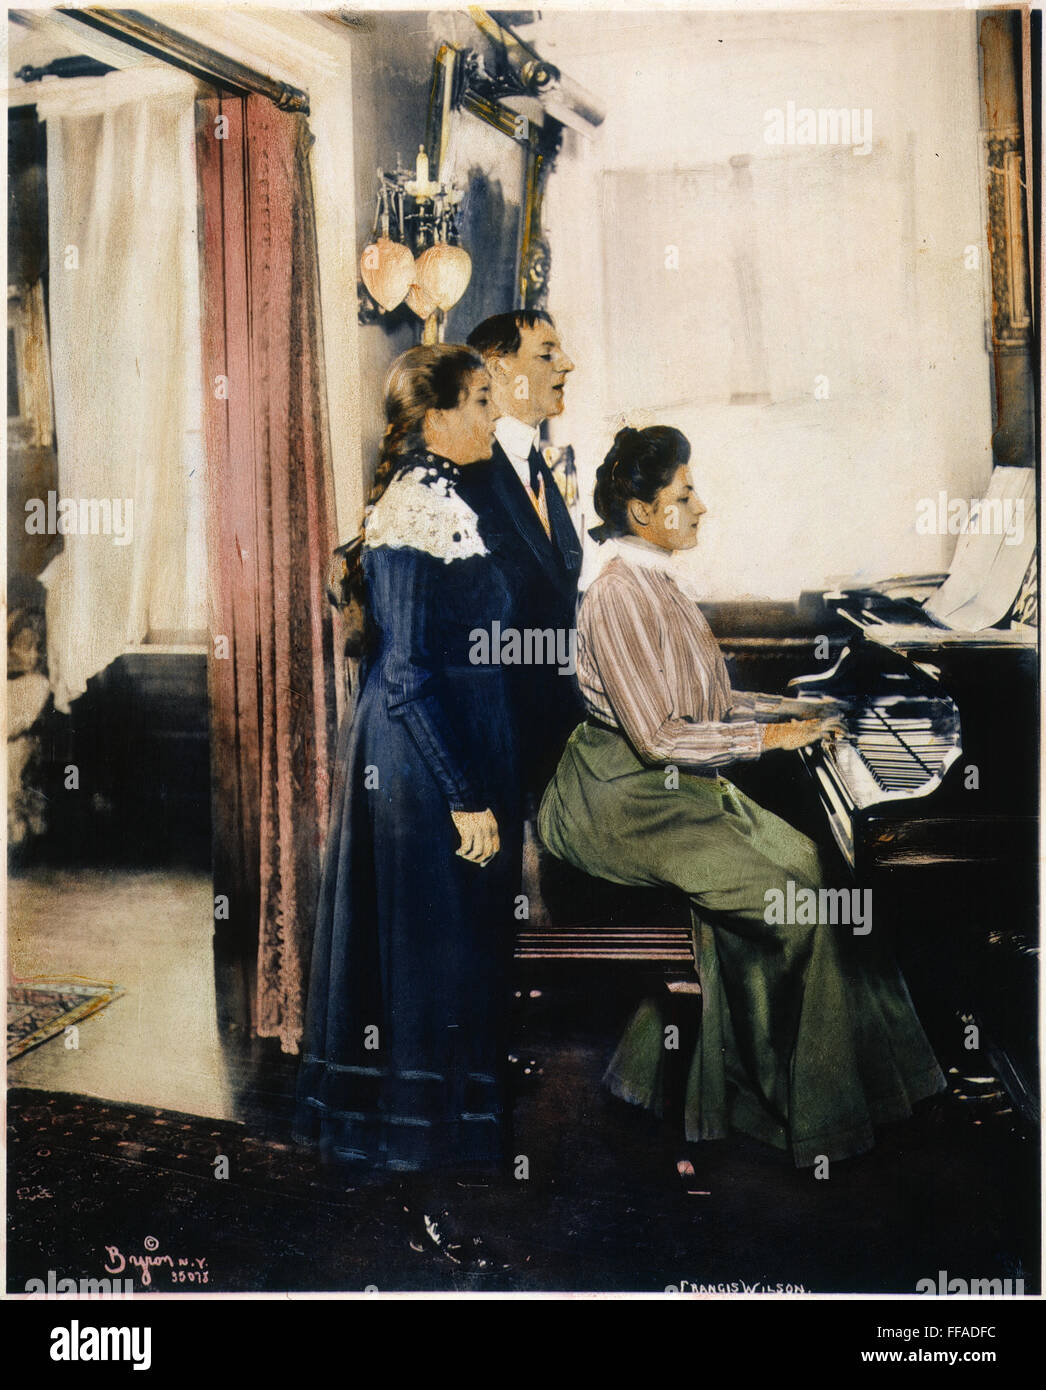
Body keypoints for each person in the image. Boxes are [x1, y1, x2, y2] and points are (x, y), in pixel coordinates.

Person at [537, 424, 946, 1170]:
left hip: (669, 789)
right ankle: (807, 1114)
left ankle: (847, 1090)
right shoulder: (619, 595)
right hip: (618, 802)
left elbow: (710, 703)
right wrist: (771, 743)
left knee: (811, 867)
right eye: (684, 495)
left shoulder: (656, 578)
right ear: (642, 513)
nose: (701, 507)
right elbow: (660, 735)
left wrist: (790, 714)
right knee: (800, 904)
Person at [295, 345, 524, 1267]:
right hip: (424, 768)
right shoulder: (410, 513)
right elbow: (410, 679)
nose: (493, 418)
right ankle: (420, 1203)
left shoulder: (446, 499)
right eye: (478, 403)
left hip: (453, 752)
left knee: (452, 970)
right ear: (432, 419)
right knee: (426, 978)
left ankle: (439, 1172)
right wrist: (467, 798)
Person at [460, 311, 583, 796]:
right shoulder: (467, 473)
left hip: (554, 737)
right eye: (547, 354)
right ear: (497, 370)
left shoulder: (536, 462)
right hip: (499, 748)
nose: (567, 365)